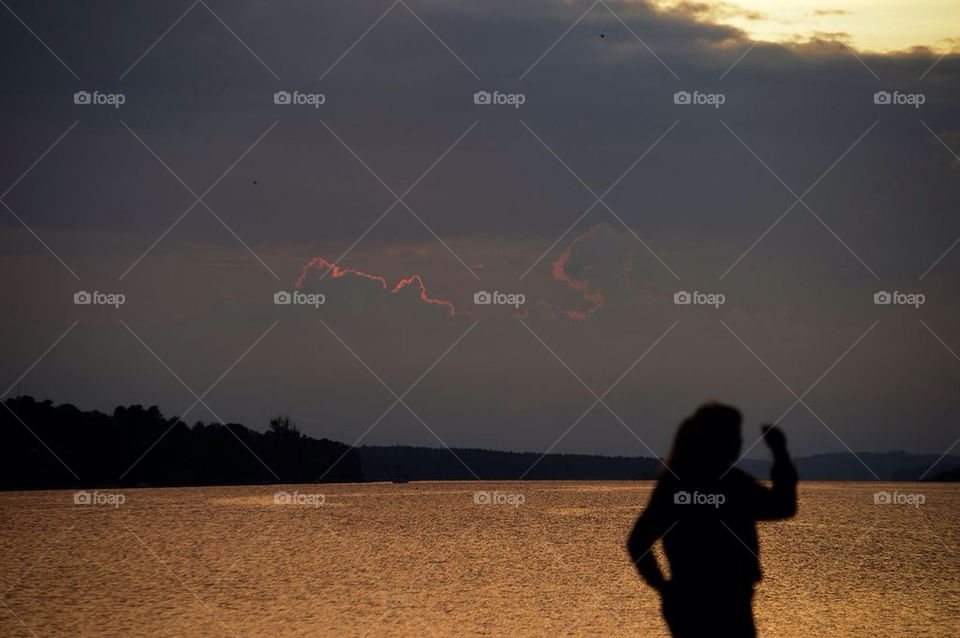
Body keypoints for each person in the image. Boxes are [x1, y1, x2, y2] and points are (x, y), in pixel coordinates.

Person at [626, 403, 797, 637]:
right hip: (703, 606)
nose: (737, 441)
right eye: (731, 434)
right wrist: (781, 454)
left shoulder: (717, 483)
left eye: (738, 434)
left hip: (727, 602)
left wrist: (663, 588)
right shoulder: (716, 485)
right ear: (711, 437)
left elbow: (782, 508)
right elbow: (638, 542)